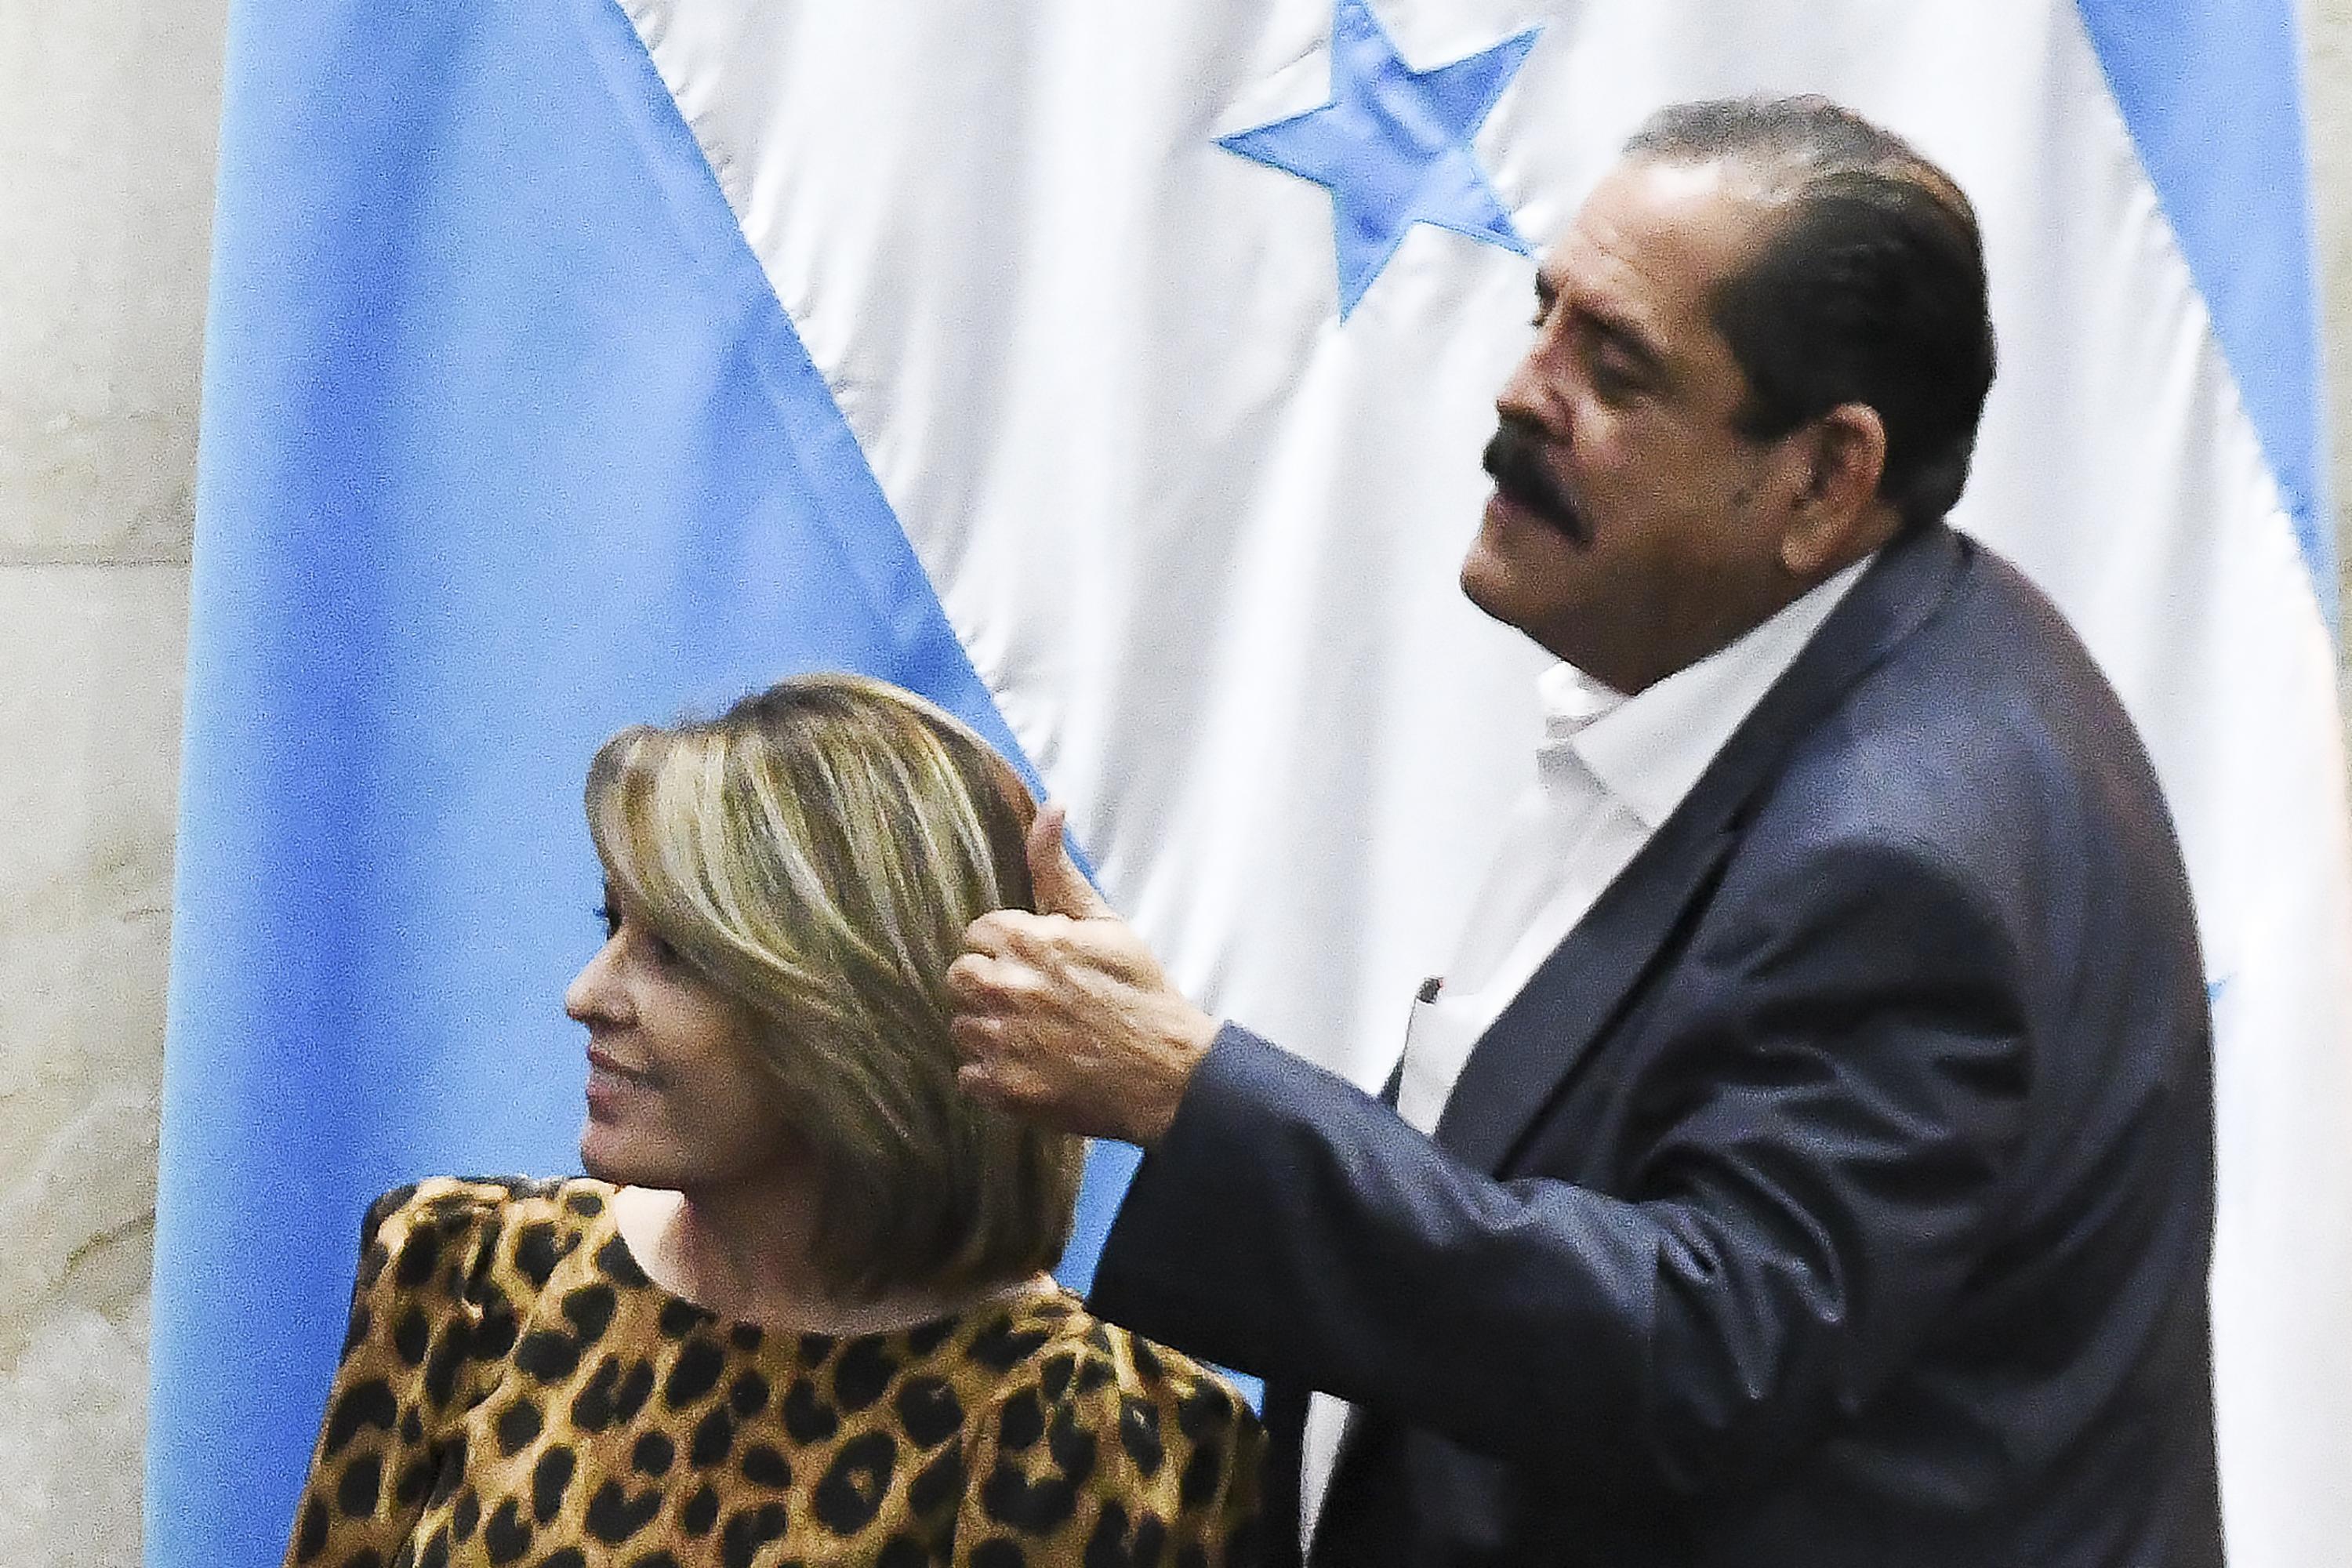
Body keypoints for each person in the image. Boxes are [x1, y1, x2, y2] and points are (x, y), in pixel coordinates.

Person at [944, 96, 2224, 1566]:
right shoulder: (1830, 665)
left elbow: (1707, 1353)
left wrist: (1193, 1096)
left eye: (1612, 369)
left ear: (1824, 476)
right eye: (1541, 316)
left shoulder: (1903, 852)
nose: (1518, 393)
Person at [284, 674, 1264, 1568]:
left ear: (860, 1002)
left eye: (677, 953)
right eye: (611, 925)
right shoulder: (467, 1273)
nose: (586, 994)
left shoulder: (1088, 1431)